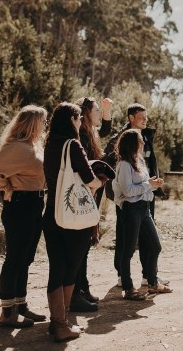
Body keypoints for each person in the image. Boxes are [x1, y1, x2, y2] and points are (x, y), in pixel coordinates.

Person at [42, 102, 106, 342]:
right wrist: (100, 180)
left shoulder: (49, 145)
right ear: (72, 120)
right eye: (79, 118)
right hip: (73, 217)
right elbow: (90, 180)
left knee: (55, 267)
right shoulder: (74, 145)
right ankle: (62, 323)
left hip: (51, 214)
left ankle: (56, 321)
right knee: (71, 268)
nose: (81, 122)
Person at [0, 105, 48, 329]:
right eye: (43, 121)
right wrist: (5, 185)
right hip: (21, 204)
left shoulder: (33, 146)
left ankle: (21, 306)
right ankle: (7, 313)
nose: (45, 126)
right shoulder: (19, 148)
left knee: (26, 257)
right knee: (15, 258)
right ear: (33, 124)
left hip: (34, 203)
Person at [105, 103, 168, 288]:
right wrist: (116, 191)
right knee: (125, 238)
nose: (145, 121)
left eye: (146, 117)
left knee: (149, 239)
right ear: (131, 117)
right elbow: (110, 165)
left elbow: (150, 163)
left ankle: (149, 275)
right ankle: (122, 277)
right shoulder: (120, 140)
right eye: (142, 117)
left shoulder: (146, 136)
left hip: (146, 195)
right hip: (128, 200)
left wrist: (152, 184)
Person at [112, 128, 172, 300]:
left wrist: (153, 184)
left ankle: (152, 283)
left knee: (155, 246)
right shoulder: (123, 165)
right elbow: (128, 191)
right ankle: (129, 288)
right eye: (140, 141)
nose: (143, 144)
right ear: (133, 144)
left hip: (144, 208)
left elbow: (144, 184)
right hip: (131, 209)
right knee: (128, 250)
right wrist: (149, 185)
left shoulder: (138, 161)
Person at [69, 96, 113, 313]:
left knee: (85, 244)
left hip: (92, 194)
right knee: (81, 244)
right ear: (87, 112)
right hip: (86, 195)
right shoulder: (83, 137)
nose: (99, 113)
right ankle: (76, 291)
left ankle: (82, 287)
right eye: (96, 110)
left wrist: (106, 110)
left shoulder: (90, 133)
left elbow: (105, 130)